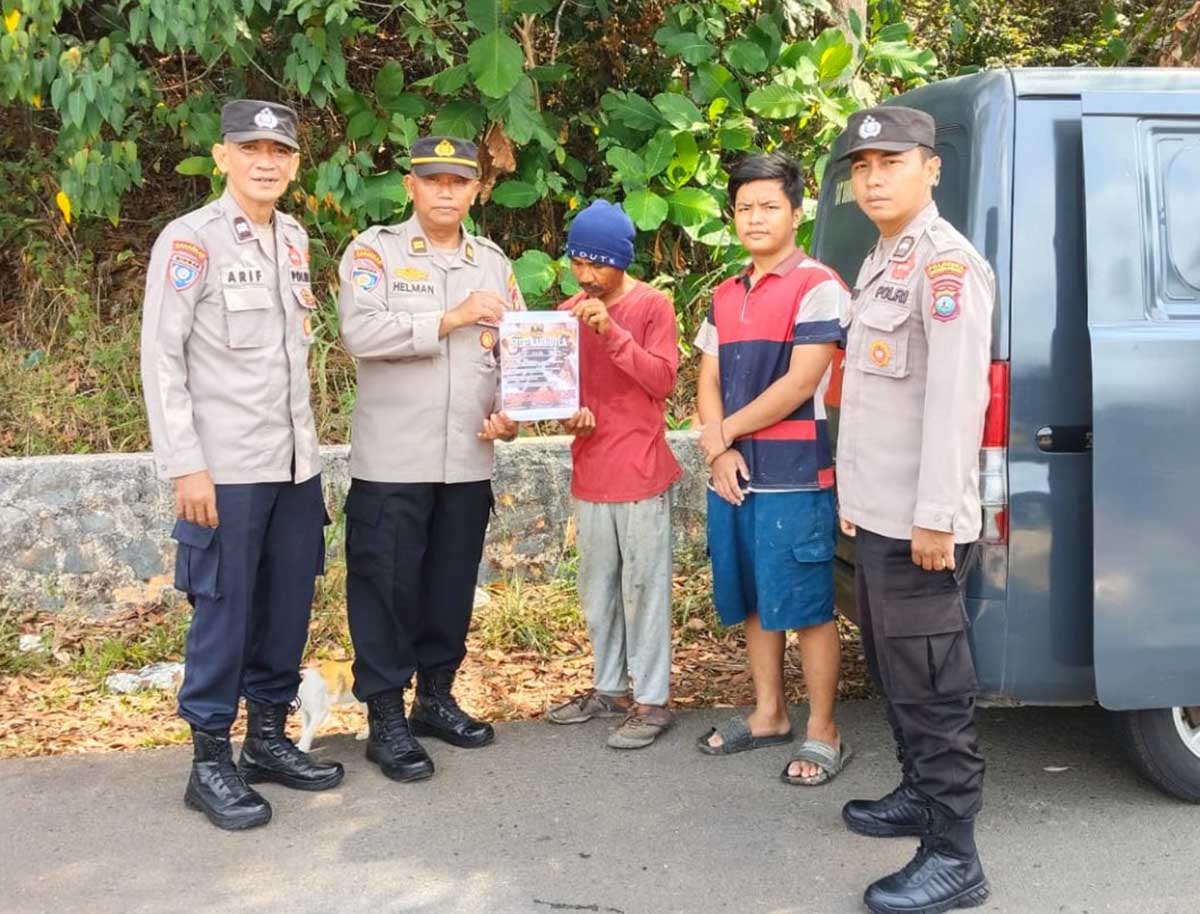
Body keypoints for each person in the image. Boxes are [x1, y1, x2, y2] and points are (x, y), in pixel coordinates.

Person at [140, 99, 343, 832]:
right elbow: (161, 358)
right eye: (251, 147)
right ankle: (209, 763)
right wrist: (185, 466)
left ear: (294, 163)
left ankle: (265, 740)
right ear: (222, 155)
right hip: (224, 468)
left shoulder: (293, 237)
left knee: (288, 603)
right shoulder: (189, 242)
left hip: (293, 465)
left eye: (280, 150)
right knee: (224, 614)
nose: (267, 161)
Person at [835, 105, 994, 913]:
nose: (873, 177)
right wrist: (861, 503)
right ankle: (916, 796)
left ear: (930, 168)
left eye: (890, 162)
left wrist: (937, 513)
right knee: (898, 677)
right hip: (881, 515)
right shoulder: (882, 258)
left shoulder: (944, 266)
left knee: (934, 690)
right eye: (862, 166)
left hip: (921, 525)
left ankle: (954, 853)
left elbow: (956, 402)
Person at [336, 135, 524, 783]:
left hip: (468, 459)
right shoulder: (374, 253)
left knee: (449, 585)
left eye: (459, 181)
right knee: (385, 588)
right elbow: (359, 332)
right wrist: (449, 317)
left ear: (477, 190)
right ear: (410, 186)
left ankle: (435, 698)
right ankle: (385, 717)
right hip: (395, 461)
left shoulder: (494, 263)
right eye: (433, 179)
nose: (447, 191)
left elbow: (516, 351)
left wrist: (513, 410)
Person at [692, 153, 850, 786]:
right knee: (755, 599)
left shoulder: (819, 285)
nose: (755, 218)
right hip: (733, 476)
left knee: (808, 608)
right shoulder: (725, 293)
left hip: (795, 477)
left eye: (769, 206)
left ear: (796, 210)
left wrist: (725, 432)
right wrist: (718, 451)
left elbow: (801, 381)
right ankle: (768, 714)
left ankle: (823, 730)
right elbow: (705, 379)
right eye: (744, 207)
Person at [544, 200, 682, 749]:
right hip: (591, 467)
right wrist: (567, 412)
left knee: (643, 589)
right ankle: (608, 688)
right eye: (577, 261)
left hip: (641, 469)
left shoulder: (653, 306)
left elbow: (663, 382)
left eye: (598, 263)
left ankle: (652, 700)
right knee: (597, 590)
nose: (585, 275)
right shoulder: (567, 310)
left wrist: (614, 335)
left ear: (621, 260)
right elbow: (559, 388)